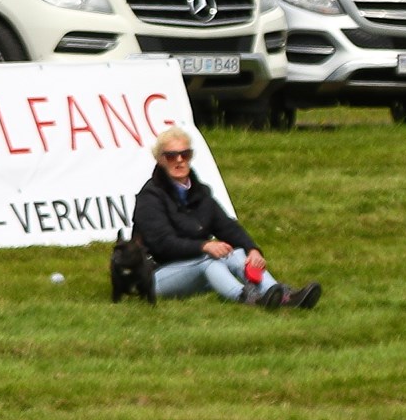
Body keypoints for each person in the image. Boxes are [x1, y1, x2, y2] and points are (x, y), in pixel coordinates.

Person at [132, 127, 322, 309]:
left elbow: (227, 227)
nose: (179, 160)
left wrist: (252, 249)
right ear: (160, 160)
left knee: (237, 253)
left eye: (185, 154)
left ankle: (281, 295)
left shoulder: (200, 193)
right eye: (171, 156)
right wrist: (204, 246)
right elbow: (162, 244)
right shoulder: (150, 198)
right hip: (154, 275)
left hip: (193, 265)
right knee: (208, 259)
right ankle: (248, 298)